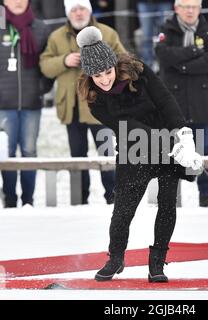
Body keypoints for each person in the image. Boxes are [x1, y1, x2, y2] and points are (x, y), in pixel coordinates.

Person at [76, 26, 204, 282]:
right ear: (90, 76)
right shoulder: (95, 100)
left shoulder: (139, 72)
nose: (104, 79)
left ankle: (157, 262)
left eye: (107, 71)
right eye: (97, 75)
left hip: (167, 137)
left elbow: (165, 100)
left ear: (115, 65)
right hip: (134, 147)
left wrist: (184, 136)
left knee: (167, 204)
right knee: (123, 208)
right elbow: (130, 129)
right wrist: (171, 145)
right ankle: (115, 258)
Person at [39, 0, 126, 205]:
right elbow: (44, 65)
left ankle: (113, 200)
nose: (78, 13)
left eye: (82, 8)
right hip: (72, 108)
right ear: (68, 13)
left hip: (103, 108)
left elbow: (124, 62)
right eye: (74, 9)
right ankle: (79, 201)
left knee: (107, 156)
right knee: (77, 157)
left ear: (89, 10)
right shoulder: (56, 36)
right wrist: (64, 61)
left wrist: (101, 62)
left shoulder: (107, 33)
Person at [155, 0, 208, 207]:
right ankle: (169, 198)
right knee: (173, 152)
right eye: (186, 6)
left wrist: (181, 66)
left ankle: (205, 196)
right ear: (177, 8)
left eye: (195, 6)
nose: (191, 11)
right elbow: (163, 55)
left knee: (203, 150)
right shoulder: (166, 29)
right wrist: (194, 51)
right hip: (174, 104)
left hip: (202, 103)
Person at [0, 0, 50, 208]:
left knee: (29, 151)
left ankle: (28, 199)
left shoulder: (40, 28)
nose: (18, 1)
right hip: (4, 104)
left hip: (31, 104)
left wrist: (41, 88)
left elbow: (48, 64)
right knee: (7, 153)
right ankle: (10, 200)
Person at [136, 0, 173, 69]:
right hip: (145, 3)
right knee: (146, 37)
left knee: (165, 36)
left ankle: (165, 65)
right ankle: (147, 67)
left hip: (165, 3)